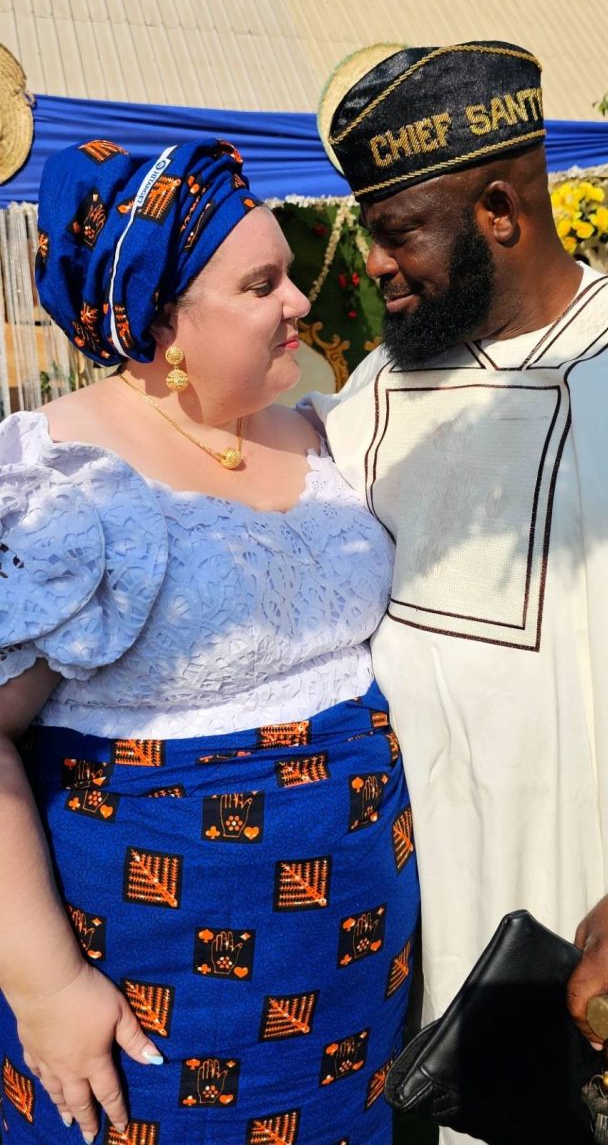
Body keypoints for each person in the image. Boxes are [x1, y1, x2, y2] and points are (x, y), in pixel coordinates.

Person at [307, 41, 608, 1145]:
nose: (375, 265)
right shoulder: (371, 397)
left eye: (398, 231)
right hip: (433, 939)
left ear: (501, 211)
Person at [0, 136, 418, 1144]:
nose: (300, 302)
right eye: (261, 285)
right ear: (161, 321)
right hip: (158, 991)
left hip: (352, 982)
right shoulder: (68, 487)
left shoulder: (314, 431)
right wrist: (47, 986)